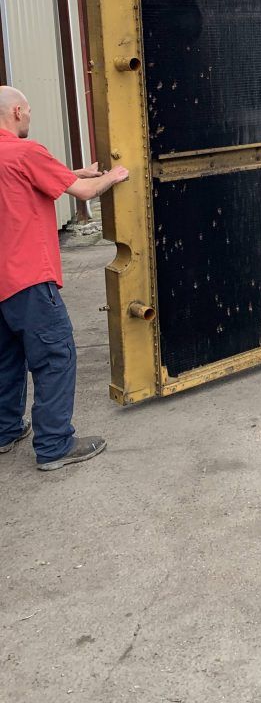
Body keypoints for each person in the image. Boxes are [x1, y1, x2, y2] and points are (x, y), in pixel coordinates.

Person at [0, 86, 129, 470]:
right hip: (29, 279)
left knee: (6, 358)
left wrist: (76, 172)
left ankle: (6, 431)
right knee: (56, 355)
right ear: (19, 111)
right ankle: (55, 445)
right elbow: (86, 192)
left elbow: (27, 180)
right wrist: (114, 176)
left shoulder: (13, 157)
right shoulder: (26, 151)